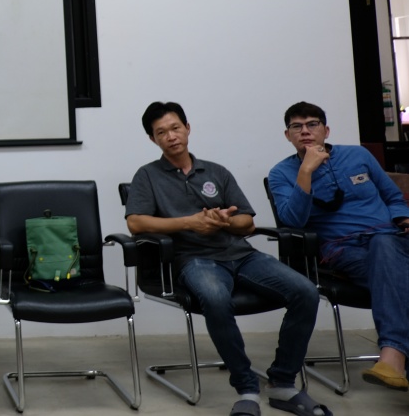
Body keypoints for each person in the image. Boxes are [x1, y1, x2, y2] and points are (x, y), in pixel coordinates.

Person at [126, 102, 327, 416]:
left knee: (306, 292)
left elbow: (246, 222)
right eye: (161, 132)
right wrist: (190, 222)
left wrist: (224, 221)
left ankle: (283, 382)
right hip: (194, 259)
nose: (171, 136)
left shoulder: (216, 171)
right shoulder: (147, 176)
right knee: (216, 298)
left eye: (176, 128)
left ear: (187, 128)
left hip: (241, 254)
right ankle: (246, 387)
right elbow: (136, 223)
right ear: (153, 139)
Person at [268, 101, 409, 392]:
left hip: (392, 238)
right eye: (297, 126)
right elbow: (292, 221)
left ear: (326, 130)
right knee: (392, 266)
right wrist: (306, 171)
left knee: (384, 243)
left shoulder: (358, 155)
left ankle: (393, 358)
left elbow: (393, 198)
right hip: (343, 250)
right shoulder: (282, 173)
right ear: (287, 135)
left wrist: (404, 219)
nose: (305, 131)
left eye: (312, 124)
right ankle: (393, 354)